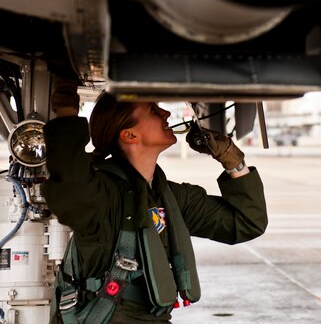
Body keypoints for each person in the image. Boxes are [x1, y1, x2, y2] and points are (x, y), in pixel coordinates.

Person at [43, 77, 268, 323]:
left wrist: (231, 158)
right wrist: (66, 109)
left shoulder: (169, 198)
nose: (166, 112)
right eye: (152, 109)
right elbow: (70, 182)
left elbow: (247, 222)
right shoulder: (102, 197)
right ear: (129, 135)